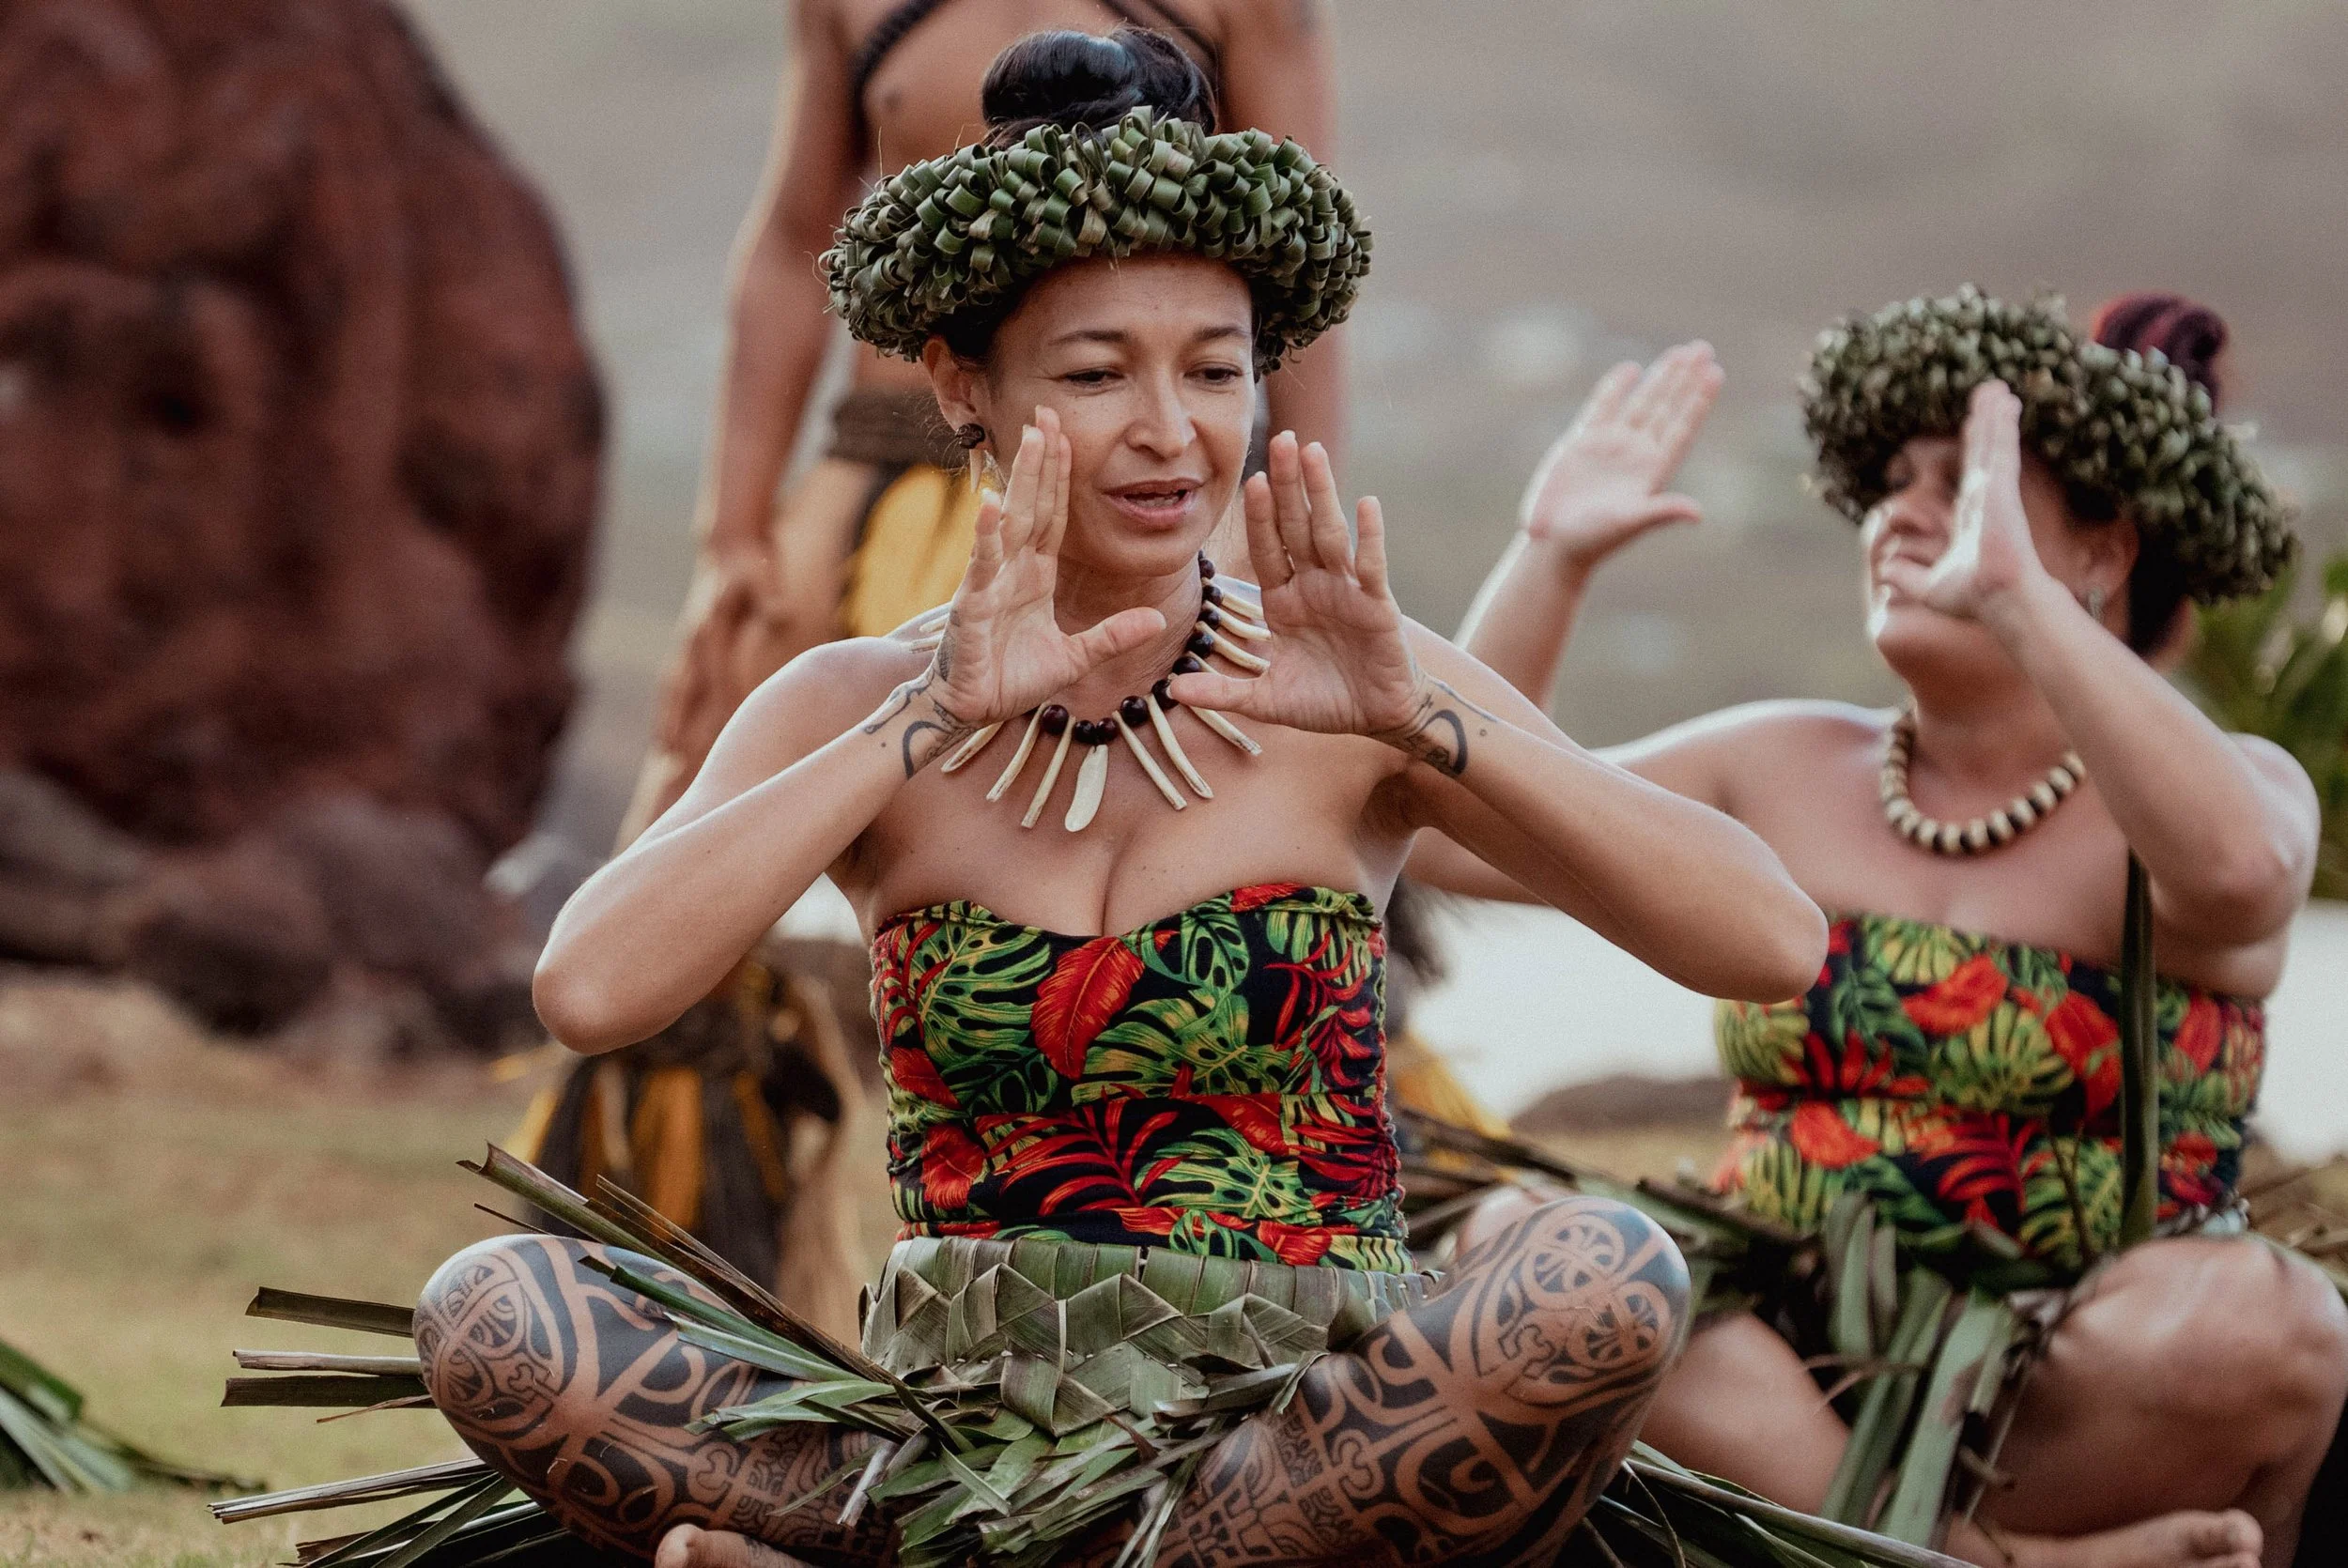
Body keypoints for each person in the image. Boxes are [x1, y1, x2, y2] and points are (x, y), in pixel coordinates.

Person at [426, 33, 1830, 1568]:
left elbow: (1768, 938)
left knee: (1605, 1276)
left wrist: (1421, 723)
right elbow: (589, 984)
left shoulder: (1361, 679)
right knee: (496, 1315)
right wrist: (924, 716)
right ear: (962, 382)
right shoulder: (853, 705)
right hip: (948, 1447)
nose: (1172, 429)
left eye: (1215, 370)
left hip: (1298, 1454)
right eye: (1098, 374)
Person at [1429, 287, 2347, 1568]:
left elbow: (2247, 875)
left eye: (1961, 486)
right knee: (1515, 1243)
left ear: (2104, 550)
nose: (1902, 514)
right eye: (1892, 483)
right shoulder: (1775, 760)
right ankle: (1988, 1564)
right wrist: (1551, 552)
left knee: (2272, 1320)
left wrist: (2024, 600)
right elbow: (1451, 834)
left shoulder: (2213, 790)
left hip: (2064, 1386)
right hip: (1766, 1372)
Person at [512, 6, 1349, 1315]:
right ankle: (709, 1309)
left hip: (1168, 519)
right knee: (708, 909)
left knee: (1253, 882)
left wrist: (1289, 531)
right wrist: (736, 535)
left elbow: (1268, 314)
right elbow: (793, 244)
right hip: (882, 504)